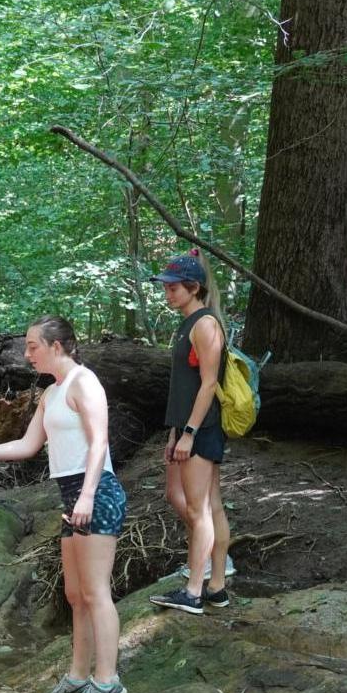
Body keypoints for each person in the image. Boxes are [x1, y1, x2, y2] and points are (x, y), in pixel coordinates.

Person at [0, 317, 127, 693]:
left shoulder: (85, 383)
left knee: (96, 592)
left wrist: (86, 496)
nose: (27, 354)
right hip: (71, 496)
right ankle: (78, 676)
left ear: (58, 346)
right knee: (74, 594)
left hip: (96, 492)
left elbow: (100, 442)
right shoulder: (50, 393)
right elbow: (30, 445)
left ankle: (107, 681)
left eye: (33, 346)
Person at [149, 252, 232, 617]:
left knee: (200, 511)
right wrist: (174, 432)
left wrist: (190, 433)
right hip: (188, 428)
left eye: (172, 288)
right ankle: (216, 587)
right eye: (165, 287)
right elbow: (184, 386)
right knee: (210, 507)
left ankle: (194, 592)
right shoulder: (188, 323)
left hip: (203, 429)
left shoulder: (205, 325)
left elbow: (209, 384)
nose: (167, 293)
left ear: (193, 288)